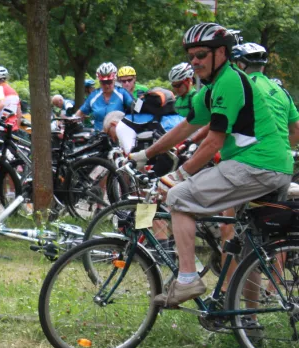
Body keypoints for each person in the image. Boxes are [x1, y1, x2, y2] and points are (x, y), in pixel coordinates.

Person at [128, 23, 299, 308]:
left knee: (179, 197)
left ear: (221, 53)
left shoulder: (230, 82)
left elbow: (213, 142)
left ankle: (187, 279)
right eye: (191, 55)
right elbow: (187, 126)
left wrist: (177, 176)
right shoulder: (213, 87)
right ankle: (248, 320)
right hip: (271, 167)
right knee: (244, 247)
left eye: (201, 55)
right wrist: (145, 155)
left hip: (254, 166)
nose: (194, 61)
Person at [75, 62, 134, 130]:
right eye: (103, 82)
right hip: (98, 136)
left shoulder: (122, 93)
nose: (106, 85)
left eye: (109, 82)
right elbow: (80, 113)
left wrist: (143, 99)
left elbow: (135, 108)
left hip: (117, 135)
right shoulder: (94, 96)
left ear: (114, 80)